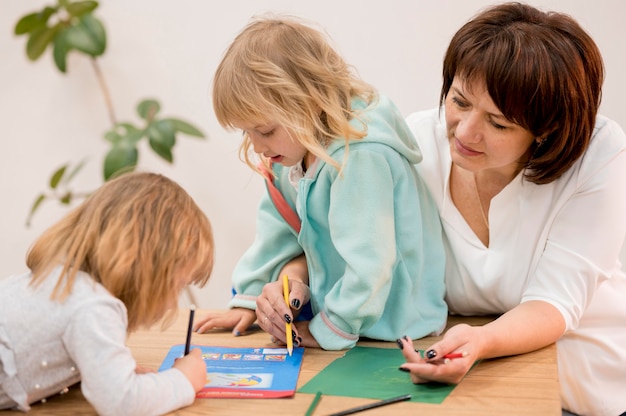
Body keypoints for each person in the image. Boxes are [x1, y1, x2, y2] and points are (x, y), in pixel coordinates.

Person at [396, 3, 626, 416]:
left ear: (547, 129)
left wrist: (481, 341)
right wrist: (295, 277)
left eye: (498, 123)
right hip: (469, 381)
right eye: (459, 101)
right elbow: (348, 227)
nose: (465, 132)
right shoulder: (414, 144)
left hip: (581, 380)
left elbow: (554, 304)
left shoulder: (598, 153)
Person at [194, 15, 447, 350]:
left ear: (309, 103)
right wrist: (250, 298)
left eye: (265, 130)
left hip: (398, 326)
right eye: (247, 132)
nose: (256, 145)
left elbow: (370, 263)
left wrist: (331, 328)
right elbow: (277, 230)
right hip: (347, 322)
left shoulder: (360, 156)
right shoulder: (292, 152)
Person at [0, 172, 214, 415]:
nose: (174, 301)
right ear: (145, 271)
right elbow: (122, 403)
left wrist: (110, 373)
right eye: (177, 285)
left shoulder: (64, 281)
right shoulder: (92, 307)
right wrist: (184, 379)